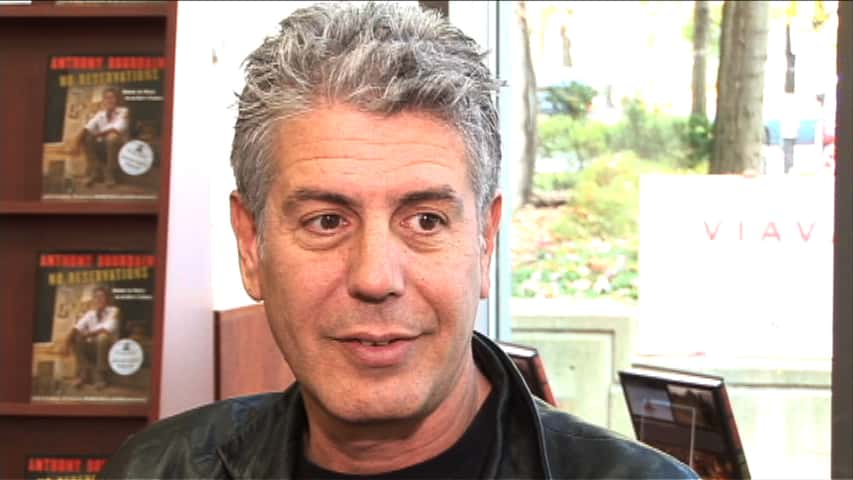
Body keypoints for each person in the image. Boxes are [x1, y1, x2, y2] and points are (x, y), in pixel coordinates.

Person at [101, 3, 697, 478]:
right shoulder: (155, 470)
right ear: (251, 245)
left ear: (485, 242)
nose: (375, 278)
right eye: (327, 221)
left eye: (426, 221)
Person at [71, 86, 129, 187]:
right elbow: (87, 127)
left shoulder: (124, 111)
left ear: (117, 99)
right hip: (104, 144)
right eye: (106, 98)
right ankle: (94, 171)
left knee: (111, 137)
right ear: (103, 101)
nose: (109, 100)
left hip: (120, 145)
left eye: (112, 97)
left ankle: (110, 174)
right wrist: (76, 143)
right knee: (87, 137)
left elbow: (115, 129)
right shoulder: (100, 114)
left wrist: (97, 134)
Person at [64, 286, 119, 390]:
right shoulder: (90, 314)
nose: (99, 299)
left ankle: (101, 376)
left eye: (102, 296)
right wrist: (65, 344)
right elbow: (76, 328)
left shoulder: (114, 311)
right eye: (96, 297)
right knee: (76, 337)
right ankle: (84, 373)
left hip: (109, 350)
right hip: (94, 349)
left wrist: (87, 334)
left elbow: (106, 330)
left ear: (107, 299)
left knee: (102, 338)